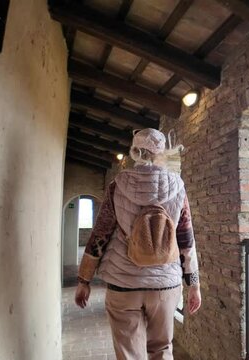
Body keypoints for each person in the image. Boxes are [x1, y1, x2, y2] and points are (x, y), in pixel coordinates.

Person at [74, 128, 201, 360]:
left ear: (134, 152)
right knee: (162, 349)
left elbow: (99, 236)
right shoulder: (177, 187)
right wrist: (193, 284)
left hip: (124, 284)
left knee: (129, 354)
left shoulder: (118, 185)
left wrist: (84, 280)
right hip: (165, 285)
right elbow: (186, 239)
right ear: (161, 152)